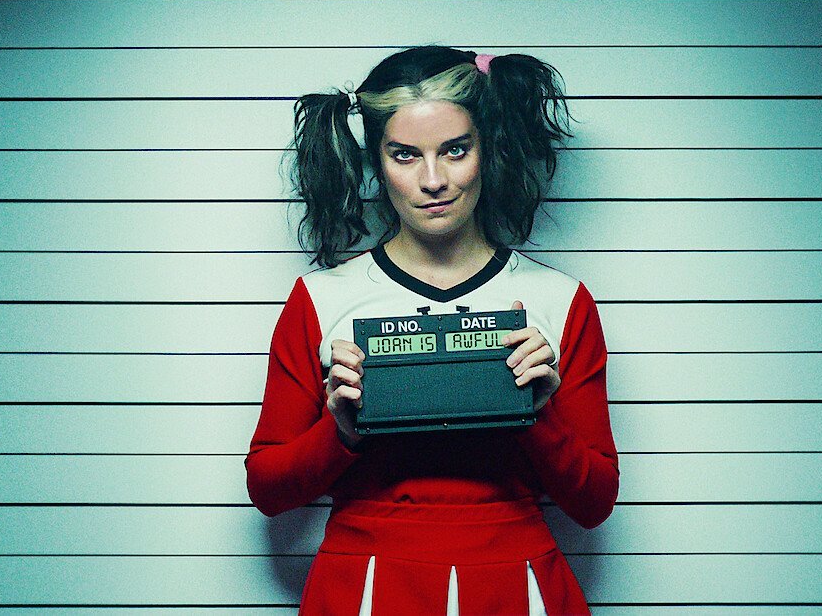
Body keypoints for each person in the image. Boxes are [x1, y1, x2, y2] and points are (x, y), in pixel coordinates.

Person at [245, 45, 618, 615]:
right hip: (364, 582)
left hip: (515, 582)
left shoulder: (559, 300)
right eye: (405, 155)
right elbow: (268, 491)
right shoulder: (322, 299)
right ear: (377, 162)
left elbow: (594, 503)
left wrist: (539, 415)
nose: (433, 180)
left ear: (487, 149)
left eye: (455, 150)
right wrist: (340, 431)